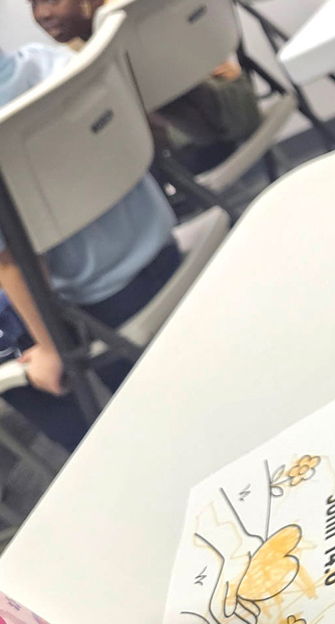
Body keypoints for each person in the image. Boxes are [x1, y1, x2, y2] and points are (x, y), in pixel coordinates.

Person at [0, 41, 179, 452]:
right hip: (163, 240)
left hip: (105, 304)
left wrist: (50, 348)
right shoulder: (51, 60)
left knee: (164, 419)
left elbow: (14, 262)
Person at [29, 0, 262, 175]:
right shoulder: (70, 52)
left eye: (52, 0)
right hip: (190, 139)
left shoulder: (136, 13)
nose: (42, 14)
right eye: (32, 3)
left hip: (229, 111)